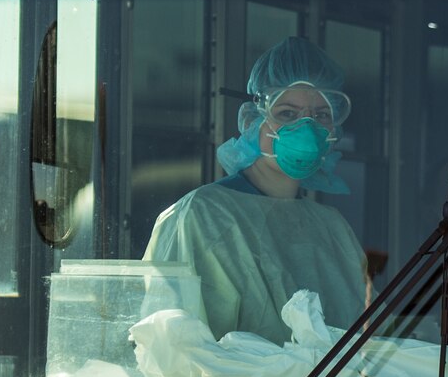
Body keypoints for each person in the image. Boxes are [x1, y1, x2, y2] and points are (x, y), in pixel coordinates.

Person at [144, 36, 372, 343]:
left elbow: (369, 339)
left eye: (321, 115)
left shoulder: (332, 228)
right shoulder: (202, 216)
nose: (307, 129)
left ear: (334, 130)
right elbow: (176, 350)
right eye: (287, 114)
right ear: (254, 119)